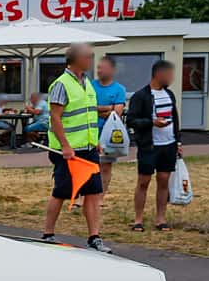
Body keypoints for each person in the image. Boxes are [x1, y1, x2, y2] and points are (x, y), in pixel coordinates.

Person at [40, 43, 111, 252]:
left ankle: (94, 237)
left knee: (93, 192)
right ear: (76, 59)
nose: (91, 60)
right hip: (68, 151)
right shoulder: (61, 84)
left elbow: (87, 113)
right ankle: (48, 234)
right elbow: (55, 116)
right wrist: (65, 146)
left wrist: (94, 140)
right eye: (88, 57)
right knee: (61, 191)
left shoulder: (86, 83)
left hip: (87, 147)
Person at [127, 59, 181, 231]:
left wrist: (178, 140)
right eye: (168, 74)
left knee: (164, 180)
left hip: (169, 144)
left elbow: (176, 119)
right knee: (144, 181)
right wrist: (152, 122)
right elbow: (131, 120)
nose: (171, 78)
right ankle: (138, 219)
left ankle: (160, 219)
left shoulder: (170, 94)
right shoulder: (141, 96)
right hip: (149, 146)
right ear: (158, 74)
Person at [93, 55, 129, 188]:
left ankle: (100, 198)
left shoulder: (119, 89)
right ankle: (84, 197)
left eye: (102, 68)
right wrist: (110, 107)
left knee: (105, 167)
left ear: (112, 70)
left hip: (109, 136)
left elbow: (117, 113)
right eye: (98, 68)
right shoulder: (90, 86)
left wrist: (98, 109)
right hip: (91, 133)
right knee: (90, 166)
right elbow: (88, 108)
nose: (99, 71)